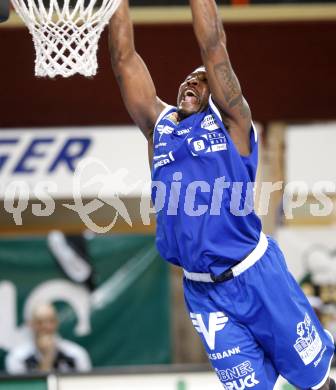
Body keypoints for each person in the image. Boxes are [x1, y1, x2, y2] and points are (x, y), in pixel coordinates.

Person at [108, 1, 335, 388]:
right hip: (203, 292)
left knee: (315, 381)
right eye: (187, 79)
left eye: (201, 80)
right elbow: (124, 58)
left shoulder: (232, 123)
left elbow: (213, 45)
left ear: (218, 93)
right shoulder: (158, 125)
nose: (191, 83)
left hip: (257, 275)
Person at [5, 303, 91, 374]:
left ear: (57, 323)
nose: (46, 327)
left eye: (50, 321)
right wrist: (47, 358)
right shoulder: (17, 357)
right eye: (40, 322)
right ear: (31, 325)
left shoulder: (76, 354)